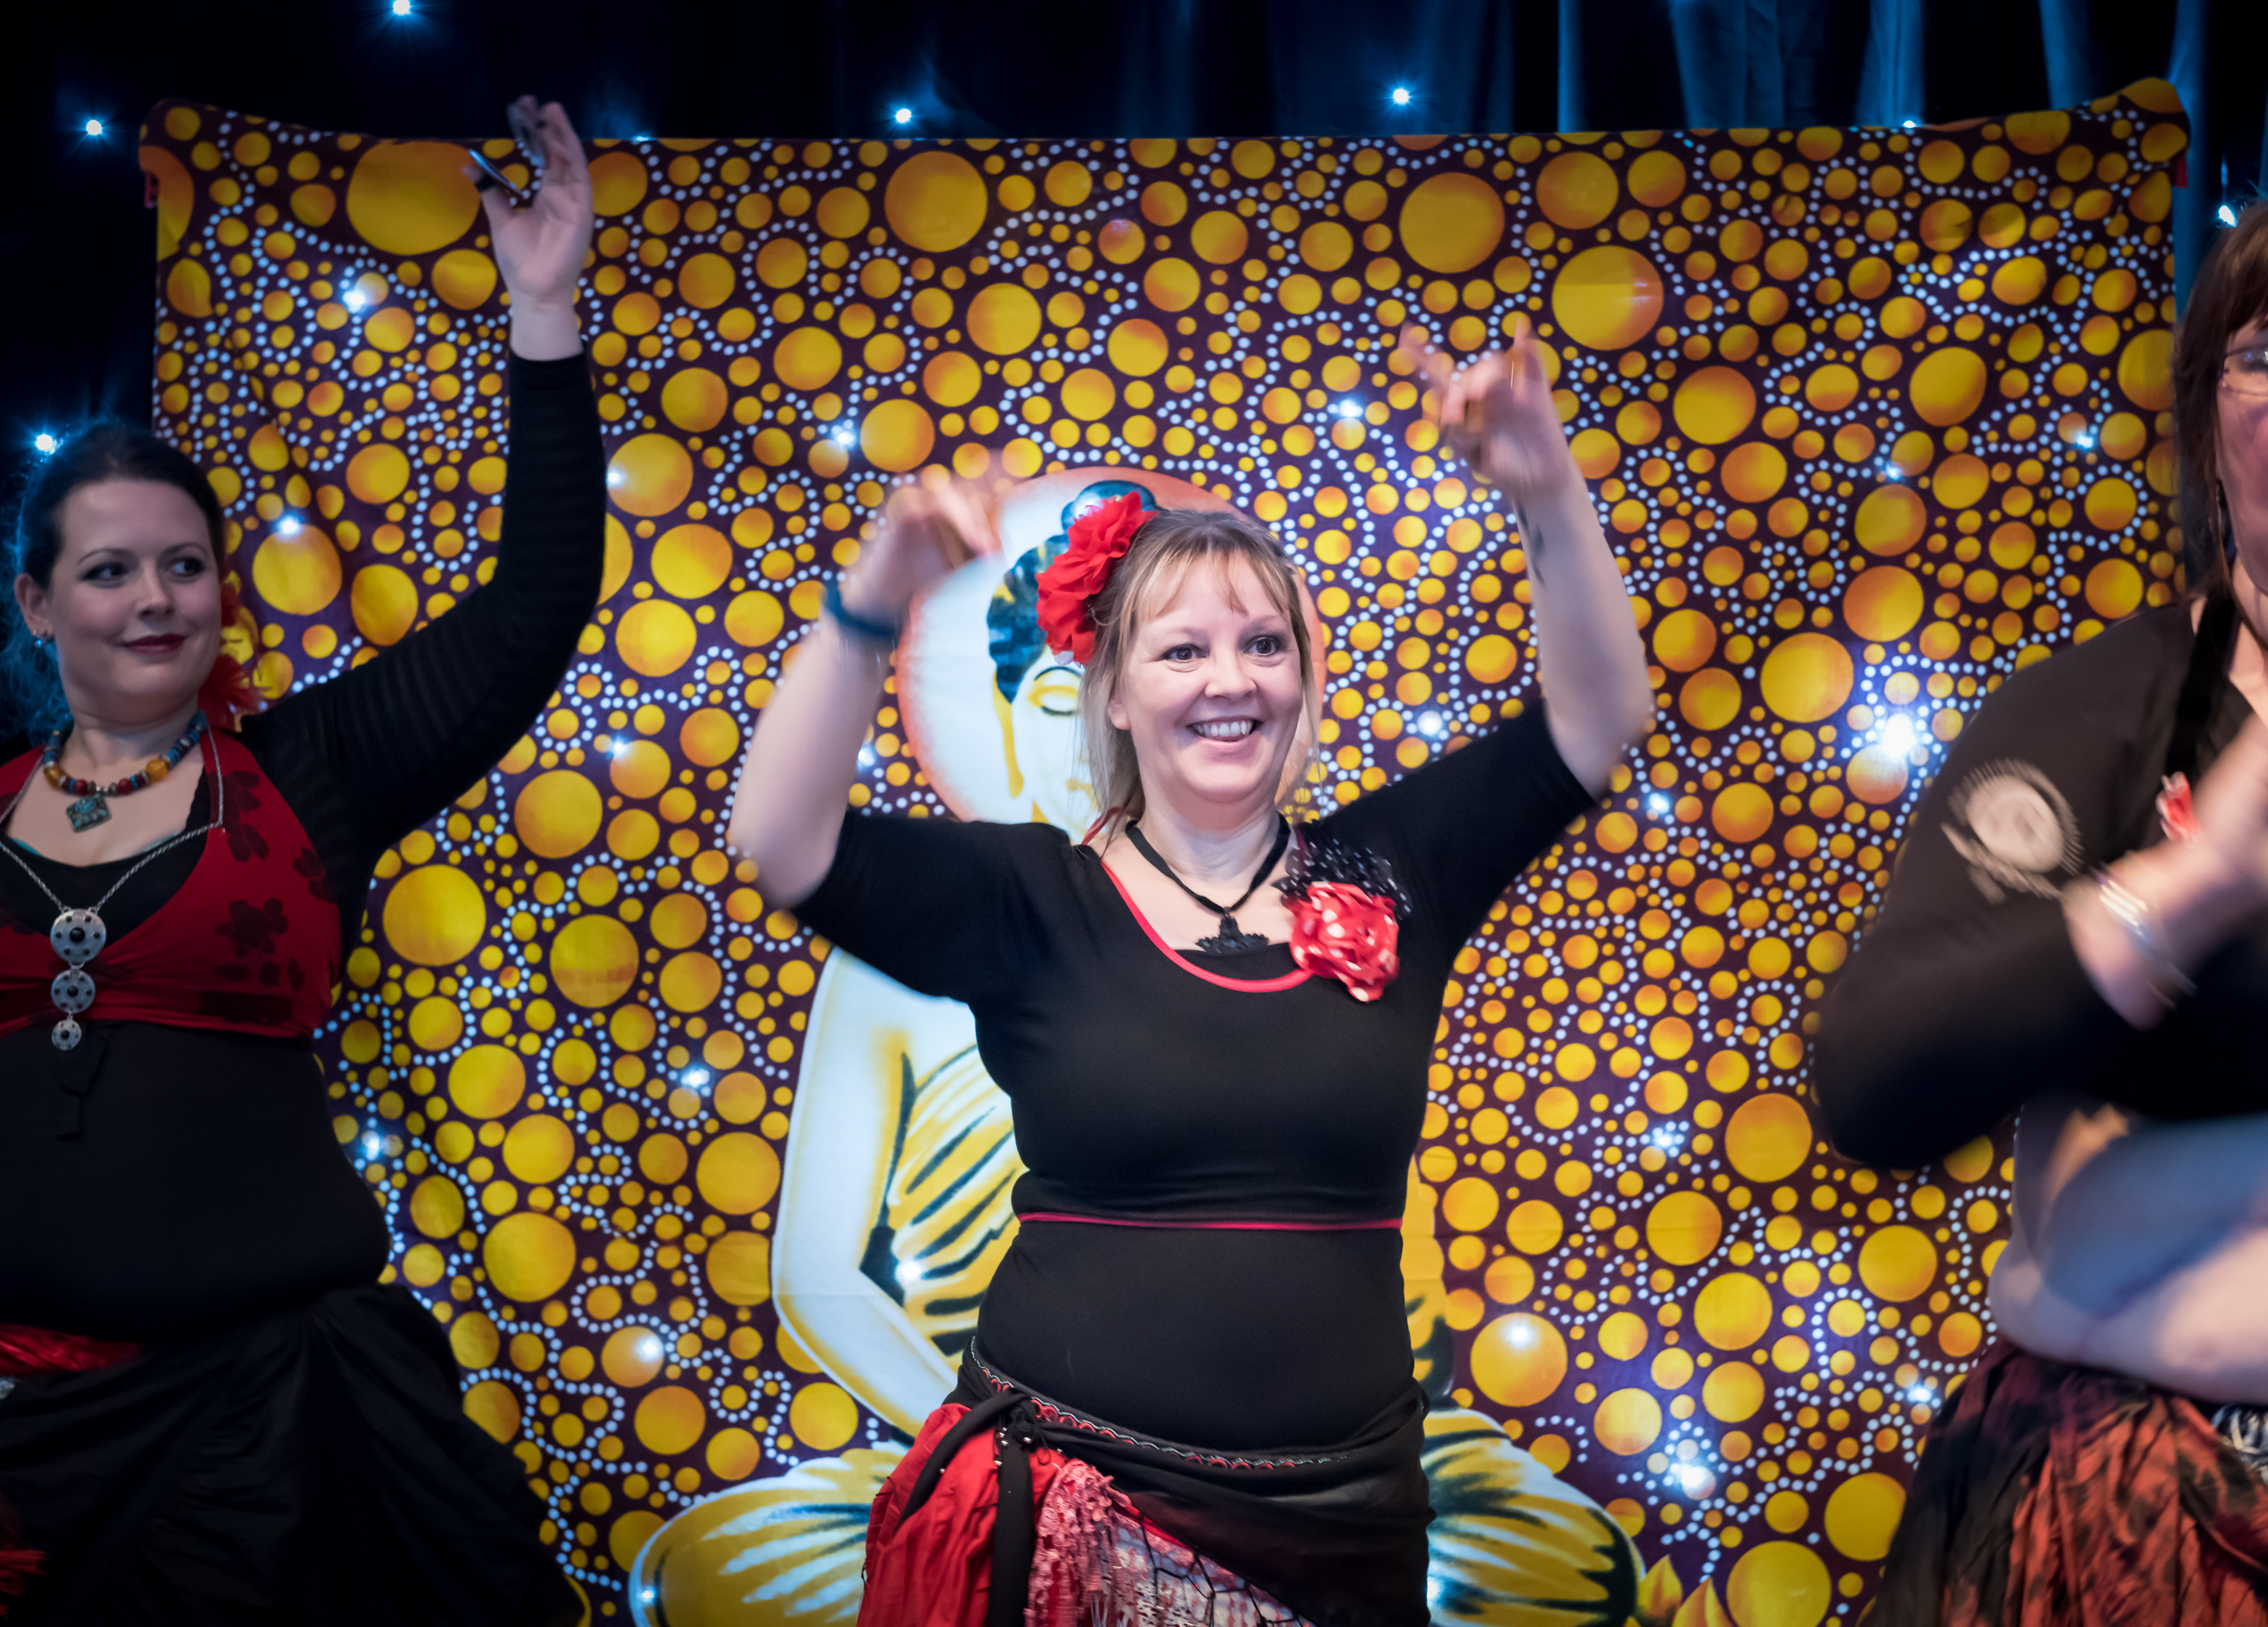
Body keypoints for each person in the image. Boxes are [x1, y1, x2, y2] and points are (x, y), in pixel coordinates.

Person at [727, 316, 1651, 1626]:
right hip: (1074, 1516)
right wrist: (875, 598)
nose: (1232, 680)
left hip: (1351, 1528)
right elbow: (778, 841)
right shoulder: (1031, 899)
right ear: (1110, 692)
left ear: (1303, 679)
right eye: (1182, 650)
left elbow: (1597, 721)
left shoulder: (1394, 868)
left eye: (1265, 645)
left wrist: (1545, 482)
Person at [0, 98, 602, 1625]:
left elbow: (536, 603)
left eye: (184, 565)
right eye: (110, 570)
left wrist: (544, 313)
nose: (156, 598)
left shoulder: (307, 770)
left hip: (271, 1432)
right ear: (39, 605)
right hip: (21, 1438)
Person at [1814, 175, 2268, 1627]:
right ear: (2208, 434)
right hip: (2174, 1535)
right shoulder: (2111, 715)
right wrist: (2192, 886)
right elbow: (1875, 1081)